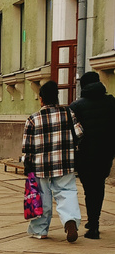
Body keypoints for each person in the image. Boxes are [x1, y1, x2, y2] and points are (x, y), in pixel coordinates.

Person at [21, 79, 83, 242]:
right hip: (65, 162)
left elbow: (27, 146)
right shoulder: (68, 113)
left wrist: (27, 165)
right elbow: (79, 133)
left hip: (40, 165)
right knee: (67, 191)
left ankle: (40, 230)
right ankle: (70, 220)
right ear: (57, 97)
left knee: (42, 196)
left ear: (41, 99)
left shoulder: (33, 119)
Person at [69, 70, 115, 239]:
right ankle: (94, 220)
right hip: (106, 153)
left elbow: (72, 133)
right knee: (99, 185)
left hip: (85, 155)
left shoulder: (76, 106)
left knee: (89, 189)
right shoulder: (112, 102)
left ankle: (93, 224)